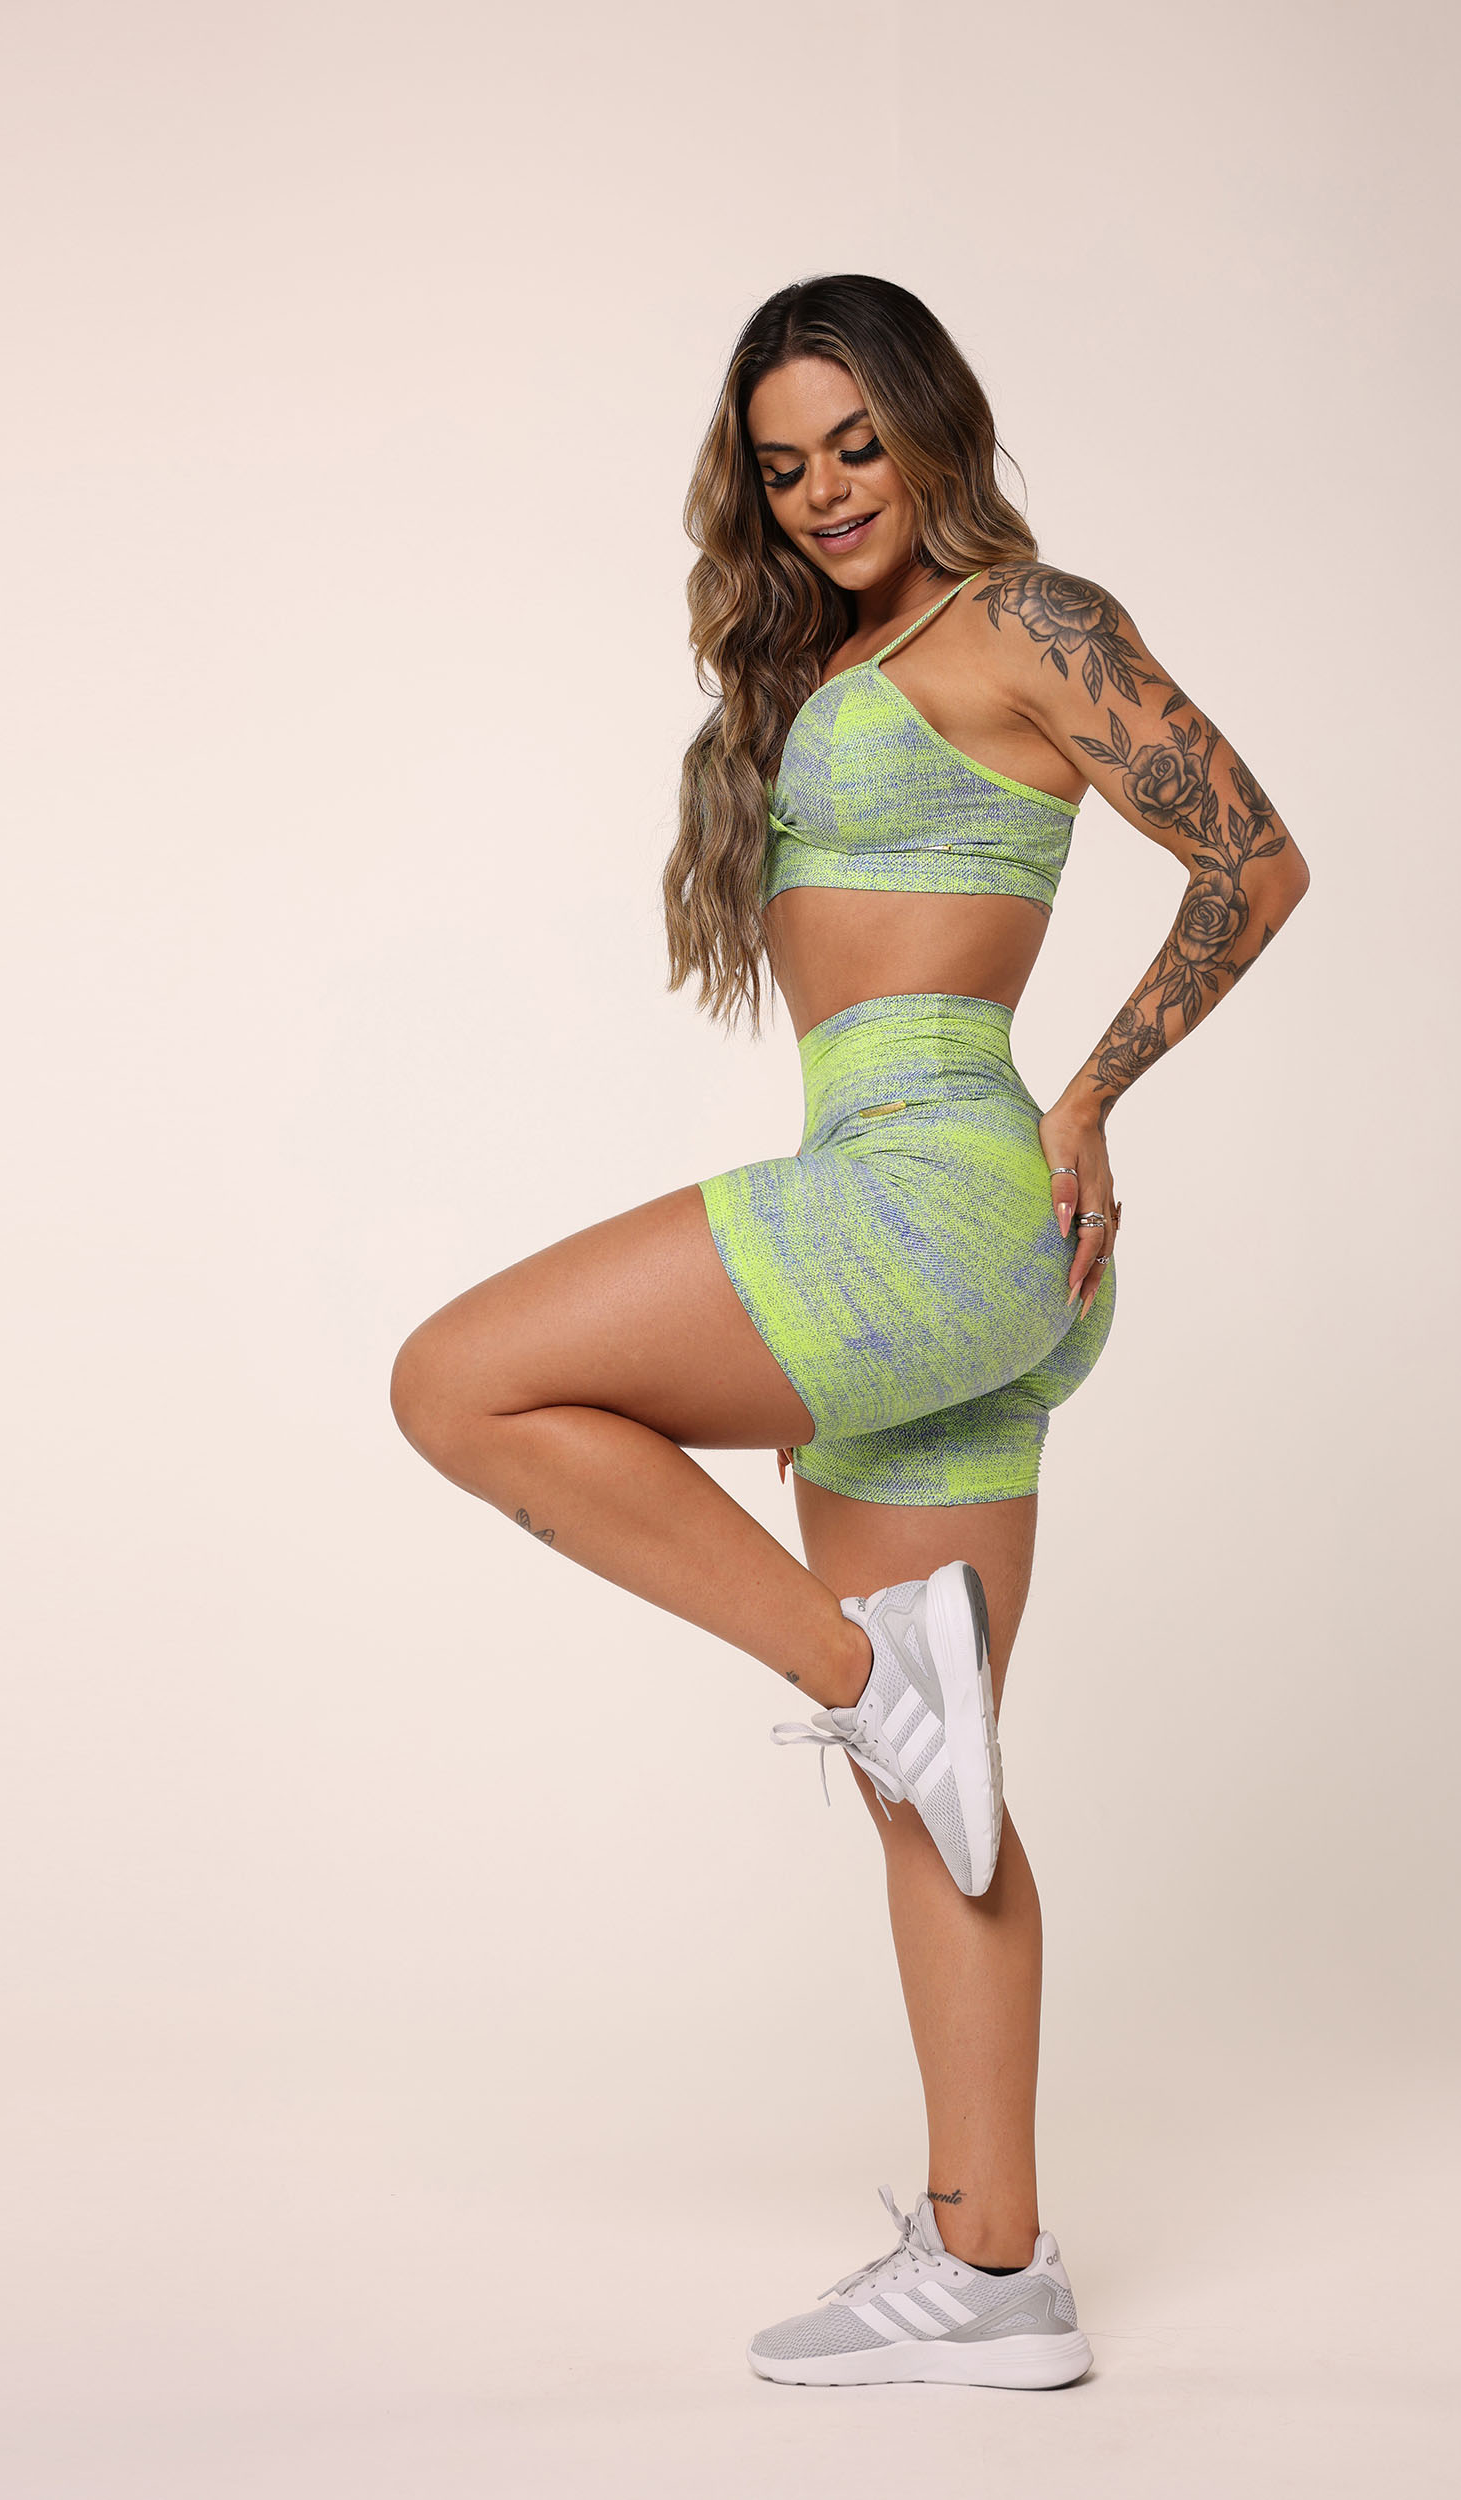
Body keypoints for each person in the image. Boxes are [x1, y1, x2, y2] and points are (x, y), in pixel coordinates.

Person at [390, 273, 1310, 2389]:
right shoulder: (837, 658)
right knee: (942, 1788)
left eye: (855, 445)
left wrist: (1091, 1095)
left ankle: (857, 1675)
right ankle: (993, 2270)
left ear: (930, 425)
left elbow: (1250, 863)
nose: (821, 491)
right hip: (958, 1240)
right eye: (783, 463)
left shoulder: (1025, 620)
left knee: (458, 1380)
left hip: (942, 1186)